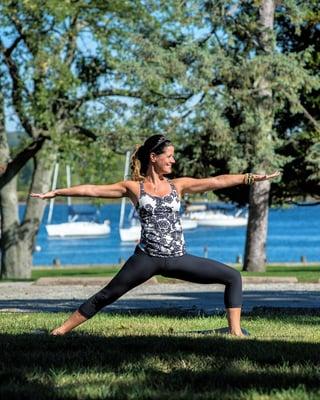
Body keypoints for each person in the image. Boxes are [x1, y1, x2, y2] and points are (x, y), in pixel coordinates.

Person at [31, 134, 280, 337]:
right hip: (146, 259)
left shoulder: (177, 185)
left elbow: (216, 181)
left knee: (233, 276)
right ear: (154, 157)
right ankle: (61, 331)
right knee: (107, 294)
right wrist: (58, 192)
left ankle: (235, 332)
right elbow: (92, 189)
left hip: (177, 258)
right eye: (168, 156)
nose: (173, 161)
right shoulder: (133, 187)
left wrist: (250, 178)